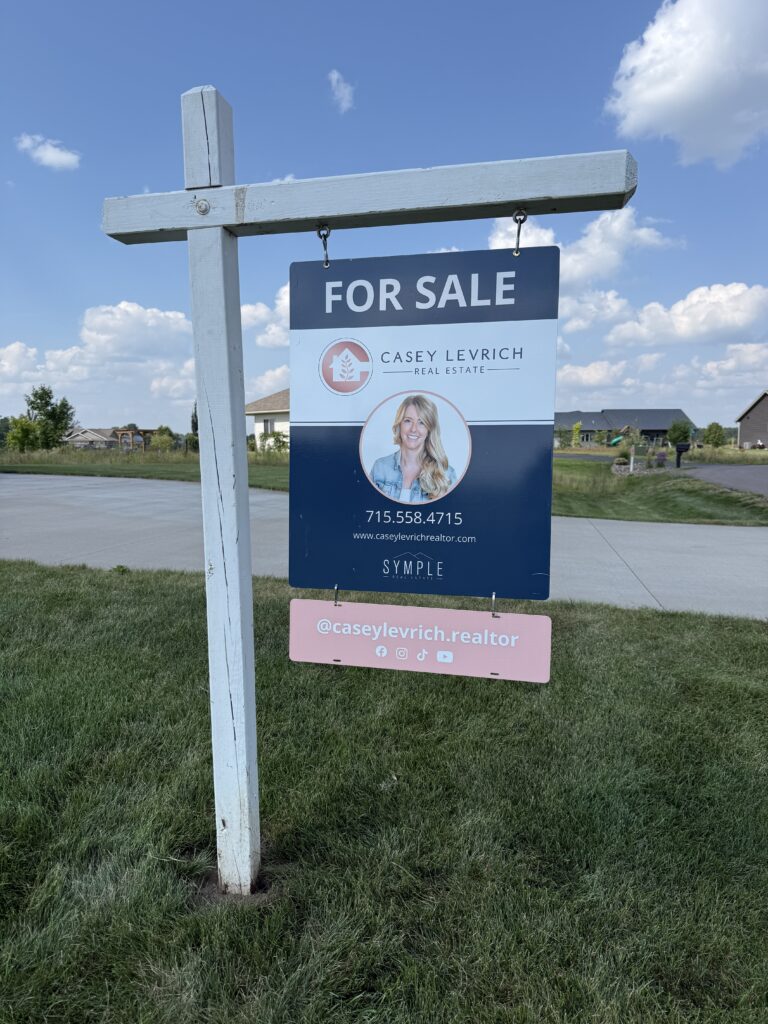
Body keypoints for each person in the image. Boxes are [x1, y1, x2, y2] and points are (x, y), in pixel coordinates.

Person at [369, 394, 457, 502]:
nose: (414, 429)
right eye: (408, 421)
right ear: (399, 424)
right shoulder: (380, 468)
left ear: (429, 430)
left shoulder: (446, 474)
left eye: (422, 422)